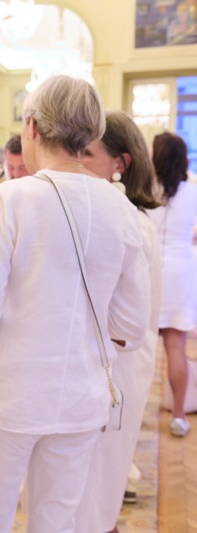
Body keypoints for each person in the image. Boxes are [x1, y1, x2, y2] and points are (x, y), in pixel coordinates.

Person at [0, 75, 150, 533]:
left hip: (10, 394)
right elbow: (133, 324)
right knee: (57, 521)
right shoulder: (121, 210)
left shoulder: (10, 198)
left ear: (31, 126)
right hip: (82, 398)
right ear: (91, 132)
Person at [76, 110, 162, 533]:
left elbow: (125, 322)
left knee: (97, 488)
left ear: (120, 164)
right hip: (117, 366)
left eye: (87, 154)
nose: (77, 163)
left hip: (118, 369)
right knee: (92, 488)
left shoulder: (128, 222)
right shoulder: (123, 217)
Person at [148, 131, 197, 437]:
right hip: (181, 271)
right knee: (175, 347)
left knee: (138, 348)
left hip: (150, 268)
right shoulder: (193, 192)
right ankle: (178, 416)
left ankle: (126, 412)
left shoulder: (144, 188)